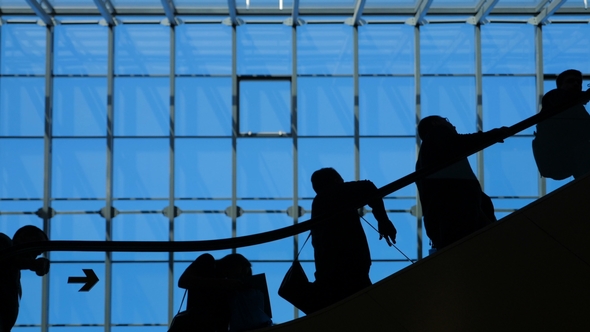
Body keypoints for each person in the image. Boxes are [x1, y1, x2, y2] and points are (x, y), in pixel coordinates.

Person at [308, 167, 397, 313]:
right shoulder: (334, 193)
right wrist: (383, 220)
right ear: (336, 181)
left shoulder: (319, 205)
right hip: (350, 271)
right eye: (342, 181)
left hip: (330, 277)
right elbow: (368, 187)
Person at [416, 116, 506, 251]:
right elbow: (461, 143)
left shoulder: (422, 163)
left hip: (442, 223)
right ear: (435, 123)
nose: (453, 126)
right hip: (458, 214)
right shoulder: (438, 133)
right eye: (446, 121)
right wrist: (493, 135)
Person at [176, 253, 271, 332]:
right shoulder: (207, 261)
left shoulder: (228, 289)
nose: (239, 276)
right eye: (241, 271)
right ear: (233, 263)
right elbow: (183, 281)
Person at [532, 69, 590, 180]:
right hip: (558, 156)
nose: (576, 84)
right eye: (570, 81)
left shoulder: (576, 109)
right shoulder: (554, 96)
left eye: (578, 82)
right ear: (560, 85)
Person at [0, 225, 50, 332]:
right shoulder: (3, 241)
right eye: (38, 245)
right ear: (22, 237)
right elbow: (9, 259)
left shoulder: (15, 277)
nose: (37, 253)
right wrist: (33, 264)